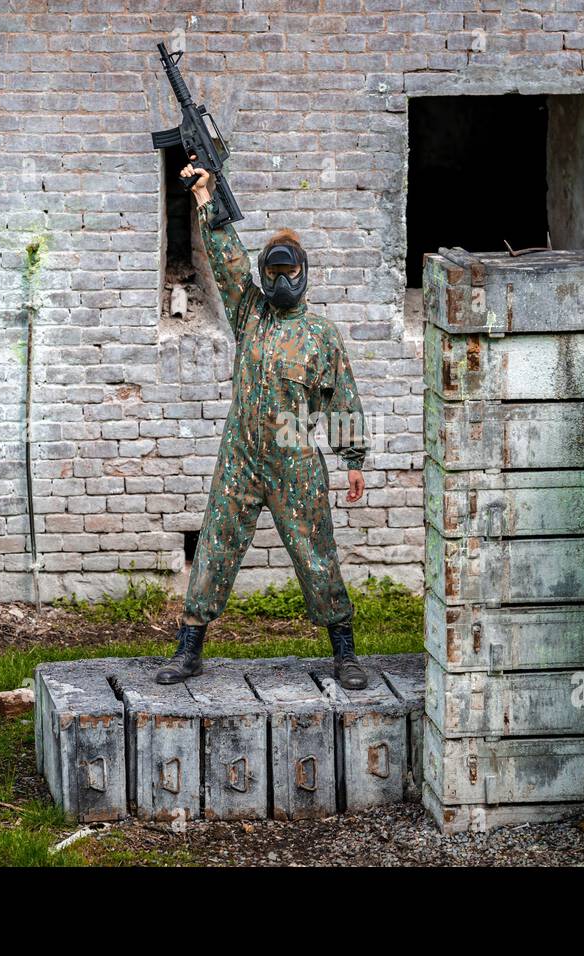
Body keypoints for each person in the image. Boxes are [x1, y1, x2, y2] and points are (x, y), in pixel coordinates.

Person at [155, 157, 370, 689]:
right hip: (241, 456)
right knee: (215, 547)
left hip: (295, 459)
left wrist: (354, 462)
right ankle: (189, 649)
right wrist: (205, 198)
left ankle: (344, 651)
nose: (278, 283)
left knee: (316, 555)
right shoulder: (249, 311)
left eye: (287, 274)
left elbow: (343, 397)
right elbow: (227, 260)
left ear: (304, 275)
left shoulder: (321, 335)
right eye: (271, 273)